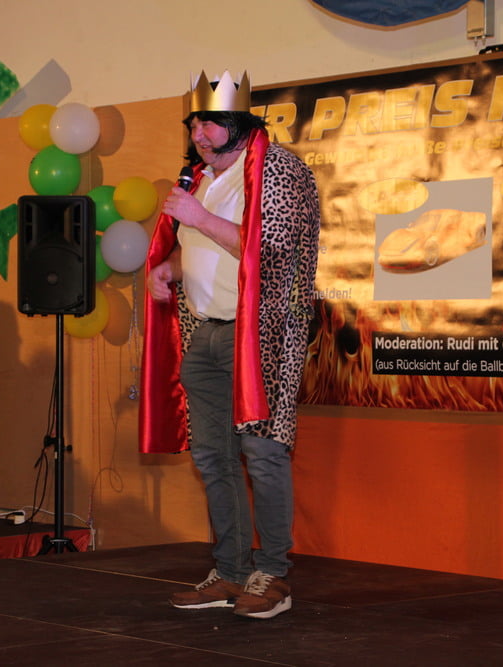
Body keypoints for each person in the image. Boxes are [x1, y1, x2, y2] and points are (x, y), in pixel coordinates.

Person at [141, 71, 321, 619]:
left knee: (262, 454)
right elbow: (201, 247)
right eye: (194, 124)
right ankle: (232, 570)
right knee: (213, 457)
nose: (199, 134)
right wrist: (170, 268)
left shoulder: (278, 169)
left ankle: (274, 574)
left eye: (211, 124)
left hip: (259, 334)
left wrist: (198, 217)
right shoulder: (203, 177)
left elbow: (270, 251)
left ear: (240, 124)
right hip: (207, 332)